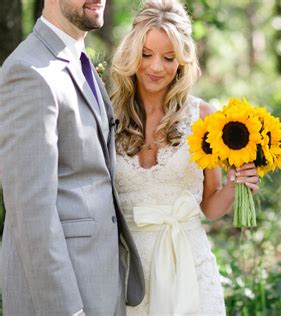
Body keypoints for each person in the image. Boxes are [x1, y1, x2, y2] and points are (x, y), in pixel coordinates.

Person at [110, 0, 259, 314]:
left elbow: (210, 206)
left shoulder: (202, 116)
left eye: (168, 57)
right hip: (128, 274)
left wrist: (236, 184)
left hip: (190, 267)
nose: (155, 67)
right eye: (146, 54)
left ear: (182, 60)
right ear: (131, 53)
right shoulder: (108, 115)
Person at [0, 0, 145, 315]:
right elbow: (30, 210)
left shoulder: (76, 58)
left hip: (98, 280)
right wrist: (67, 310)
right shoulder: (29, 71)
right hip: (64, 295)